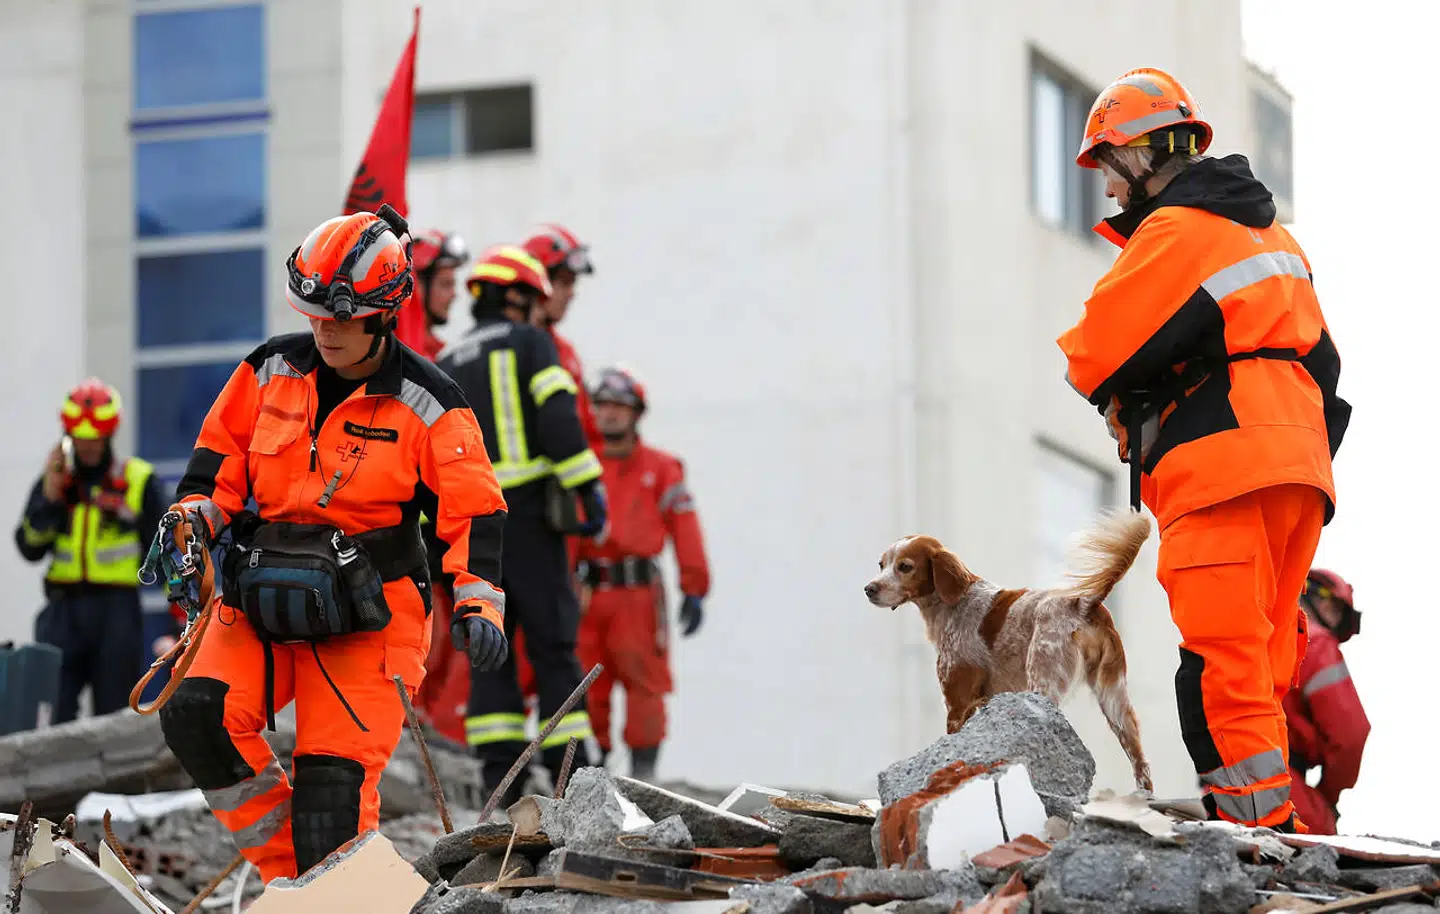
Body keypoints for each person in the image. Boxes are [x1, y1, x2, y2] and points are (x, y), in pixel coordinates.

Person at [155, 207, 509, 884]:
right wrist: (190, 525)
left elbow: (476, 512)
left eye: (341, 318)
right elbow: (215, 465)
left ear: (383, 314)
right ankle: (301, 881)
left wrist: (479, 604)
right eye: (314, 315)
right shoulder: (267, 372)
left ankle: (325, 880)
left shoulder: (430, 402)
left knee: (333, 797)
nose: (325, 330)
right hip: (263, 598)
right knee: (198, 714)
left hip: (370, 620)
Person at [1056, 67, 1351, 831]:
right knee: (1263, 661)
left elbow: (1092, 354)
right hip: (1299, 468)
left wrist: (1141, 399)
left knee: (1221, 665)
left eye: (1108, 168)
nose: (1110, 191)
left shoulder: (1176, 231)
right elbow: (1325, 365)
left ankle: (1258, 842)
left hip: (1221, 465)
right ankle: (1276, 824)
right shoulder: (1272, 235)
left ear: (1139, 154)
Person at [435, 244, 607, 810]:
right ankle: (572, 774)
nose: (540, 310)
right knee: (555, 645)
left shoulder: (447, 360)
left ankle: (499, 779)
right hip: (528, 517)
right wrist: (587, 485)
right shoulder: (533, 343)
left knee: (490, 649)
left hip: (468, 530)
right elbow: (558, 418)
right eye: (533, 298)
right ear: (516, 296)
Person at [575, 366, 710, 780]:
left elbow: (684, 527)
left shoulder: (663, 468)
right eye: (602, 405)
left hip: (638, 595)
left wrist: (694, 587)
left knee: (645, 685)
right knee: (584, 685)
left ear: (636, 414)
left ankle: (642, 779)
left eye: (619, 406)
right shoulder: (578, 464)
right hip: (585, 592)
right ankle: (589, 775)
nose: (610, 414)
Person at [14, 379, 170, 724]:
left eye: (94, 436)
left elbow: (167, 552)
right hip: (62, 612)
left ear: (109, 433)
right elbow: (29, 547)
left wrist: (179, 617)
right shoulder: (54, 481)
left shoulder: (138, 479)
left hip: (115, 613)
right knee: (49, 715)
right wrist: (52, 501)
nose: (87, 445)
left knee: (115, 719)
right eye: (79, 436)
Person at [1284, 569, 1369, 835]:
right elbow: (1350, 735)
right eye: (1336, 608)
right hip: (1281, 783)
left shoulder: (1257, 631)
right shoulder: (1317, 643)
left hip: (1219, 780)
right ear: (1320, 599)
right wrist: (1328, 795)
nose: (1335, 617)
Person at [395, 229, 469, 361]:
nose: (454, 295)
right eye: (445, 284)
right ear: (418, 286)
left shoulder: (436, 354)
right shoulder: (392, 350)